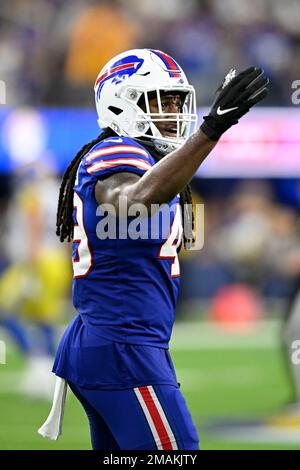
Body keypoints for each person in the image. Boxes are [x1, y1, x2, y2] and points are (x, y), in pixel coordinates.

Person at [48, 49, 268, 450]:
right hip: (124, 346)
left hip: (119, 342)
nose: (172, 112)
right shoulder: (118, 149)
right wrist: (212, 129)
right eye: (159, 101)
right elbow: (133, 200)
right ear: (121, 101)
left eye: (175, 101)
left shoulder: (145, 157)